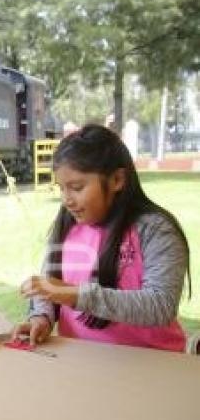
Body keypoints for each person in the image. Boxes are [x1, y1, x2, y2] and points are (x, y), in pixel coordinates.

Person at [12, 124, 191, 351]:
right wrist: (41, 317)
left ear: (117, 180)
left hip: (152, 364)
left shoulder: (155, 230)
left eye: (76, 187)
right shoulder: (67, 223)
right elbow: (50, 283)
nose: (66, 200)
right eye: (61, 188)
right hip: (82, 360)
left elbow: (160, 306)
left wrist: (74, 294)